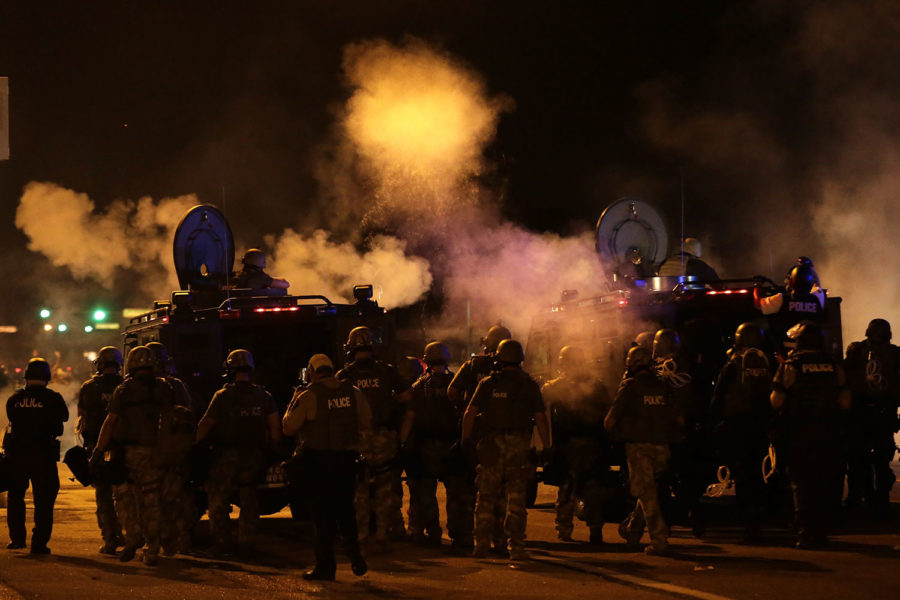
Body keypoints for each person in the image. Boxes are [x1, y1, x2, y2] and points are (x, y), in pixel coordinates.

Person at [461, 339, 551, 561]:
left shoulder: (489, 384)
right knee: (516, 498)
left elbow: (470, 413)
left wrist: (465, 440)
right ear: (520, 359)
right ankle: (517, 547)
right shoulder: (529, 385)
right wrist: (548, 446)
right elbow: (540, 418)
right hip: (519, 446)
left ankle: (481, 545)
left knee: (486, 497)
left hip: (491, 446)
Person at [282, 353, 370, 581]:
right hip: (346, 462)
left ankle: (326, 567)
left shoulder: (310, 395)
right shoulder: (353, 392)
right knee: (346, 512)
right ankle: (356, 556)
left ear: (311, 372)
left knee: (322, 519)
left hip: (318, 464)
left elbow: (289, 428)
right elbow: (367, 420)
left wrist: (295, 399)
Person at [91, 346, 174, 565]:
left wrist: (98, 451)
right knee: (152, 499)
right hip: (157, 452)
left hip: (129, 453)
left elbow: (110, 422)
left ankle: (134, 535)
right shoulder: (164, 388)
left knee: (124, 497)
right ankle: (153, 548)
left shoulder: (124, 389)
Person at [770, 321, 851, 549]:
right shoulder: (834, 365)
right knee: (826, 481)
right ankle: (822, 530)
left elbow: (777, 401)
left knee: (802, 483)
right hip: (829, 432)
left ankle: (806, 532)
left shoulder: (791, 366)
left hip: (800, 432)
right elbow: (845, 402)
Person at [196, 349, 281, 555]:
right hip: (253, 455)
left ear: (229, 369)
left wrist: (192, 446)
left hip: (226, 456)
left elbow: (206, 424)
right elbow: (275, 429)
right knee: (249, 499)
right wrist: (273, 453)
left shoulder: (223, 396)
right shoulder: (264, 396)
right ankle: (247, 542)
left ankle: (222, 542)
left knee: (218, 499)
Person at [336, 327, 412, 553]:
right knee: (384, 487)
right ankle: (382, 533)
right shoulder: (387, 372)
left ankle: (360, 535)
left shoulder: (345, 376)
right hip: (384, 438)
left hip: (357, 439)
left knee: (359, 489)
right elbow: (407, 401)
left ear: (351, 347)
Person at [604, 346, 683, 555]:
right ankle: (633, 530)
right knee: (647, 491)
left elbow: (609, 422)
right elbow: (679, 418)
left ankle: (659, 539)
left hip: (639, 448)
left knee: (646, 494)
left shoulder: (629, 387)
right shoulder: (664, 386)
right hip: (662, 449)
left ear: (630, 364)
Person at [401, 341, 474, 549]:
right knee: (456, 494)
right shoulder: (456, 384)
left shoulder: (418, 387)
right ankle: (459, 536)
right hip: (453, 445)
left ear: (427, 360)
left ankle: (433, 533)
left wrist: (403, 443)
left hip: (427, 446)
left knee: (426, 492)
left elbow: (410, 416)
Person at [447, 324, 511, 551]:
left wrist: (464, 410)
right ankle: (501, 538)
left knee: (470, 490)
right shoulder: (513, 372)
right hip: (504, 439)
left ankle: (470, 537)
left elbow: (452, 392)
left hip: (474, 436)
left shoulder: (473, 366)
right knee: (501, 493)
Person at [541, 345, 612, 543]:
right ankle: (595, 530)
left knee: (566, 490)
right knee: (592, 488)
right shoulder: (597, 386)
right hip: (591, 446)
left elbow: (540, 411)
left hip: (567, 446)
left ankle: (564, 531)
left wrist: (547, 447)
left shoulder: (554, 387)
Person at [709, 323, 773, 541]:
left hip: (738, 424)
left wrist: (713, 422)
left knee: (743, 474)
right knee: (759, 472)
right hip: (762, 424)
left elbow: (718, 397)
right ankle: (761, 518)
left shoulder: (734, 364)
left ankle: (749, 525)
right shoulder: (768, 361)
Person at [3, 358, 68, 554]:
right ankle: (39, 543)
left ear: (26, 376)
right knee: (44, 501)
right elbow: (62, 422)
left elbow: (12, 419)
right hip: (43, 456)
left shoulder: (14, 399)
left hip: (17, 456)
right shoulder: (53, 398)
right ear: (47, 377)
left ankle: (17, 540)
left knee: (15, 498)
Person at [843, 318, 899, 518]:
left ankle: (860, 499)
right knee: (879, 461)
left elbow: (844, 379)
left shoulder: (856, 350)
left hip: (861, 414)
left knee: (859, 460)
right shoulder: (894, 353)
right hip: (882, 414)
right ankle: (878, 501)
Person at [145, 342, 196, 555]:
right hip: (175, 450)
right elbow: (189, 414)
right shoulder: (177, 386)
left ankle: (155, 542)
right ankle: (177, 543)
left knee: (150, 499)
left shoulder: (136, 385)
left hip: (149, 451)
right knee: (176, 498)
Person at [76, 346, 125, 554]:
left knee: (103, 496)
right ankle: (129, 534)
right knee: (125, 496)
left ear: (100, 364)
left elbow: (82, 418)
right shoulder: (127, 386)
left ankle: (109, 539)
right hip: (122, 448)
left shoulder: (89, 387)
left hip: (96, 447)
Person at [755, 257, 826, 355]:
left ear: (792, 281)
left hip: (788, 352)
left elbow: (758, 304)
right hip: (815, 352)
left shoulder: (781, 299)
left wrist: (757, 285)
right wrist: (810, 267)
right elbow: (818, 285)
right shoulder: (817, 299)